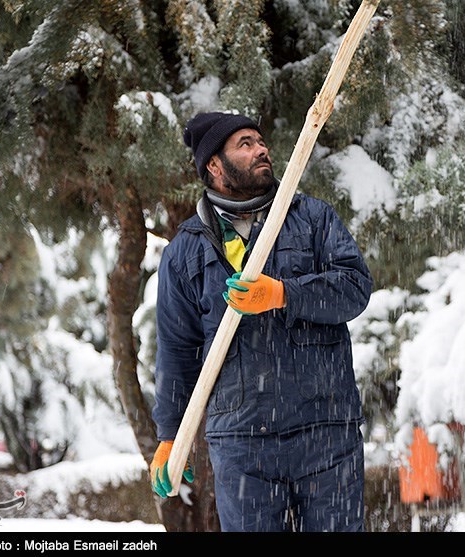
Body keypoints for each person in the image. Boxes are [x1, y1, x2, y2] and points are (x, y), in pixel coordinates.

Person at [149, 111, 373, 532]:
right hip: (240, 440)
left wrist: (283, 294)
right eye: (245, 144)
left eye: (260, 140)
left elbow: (355, 287)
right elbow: (178, 349)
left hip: (324, 429)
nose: (261, 149)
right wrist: (169, 435)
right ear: (214, 166)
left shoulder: (311, 218)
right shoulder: (183, 252)